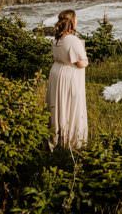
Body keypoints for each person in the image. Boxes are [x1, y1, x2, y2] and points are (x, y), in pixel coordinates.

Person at [47, 9, 88, 149]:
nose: (77, 21)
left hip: (56, 74)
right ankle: (70, 140)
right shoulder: (72, 40)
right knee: (69, 105)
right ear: (71, 22)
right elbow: (81, 63)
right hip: (69, 76)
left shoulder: (58, 39)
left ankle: (57, 135)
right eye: (76, 19)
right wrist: (86, 59)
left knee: (58, 105)